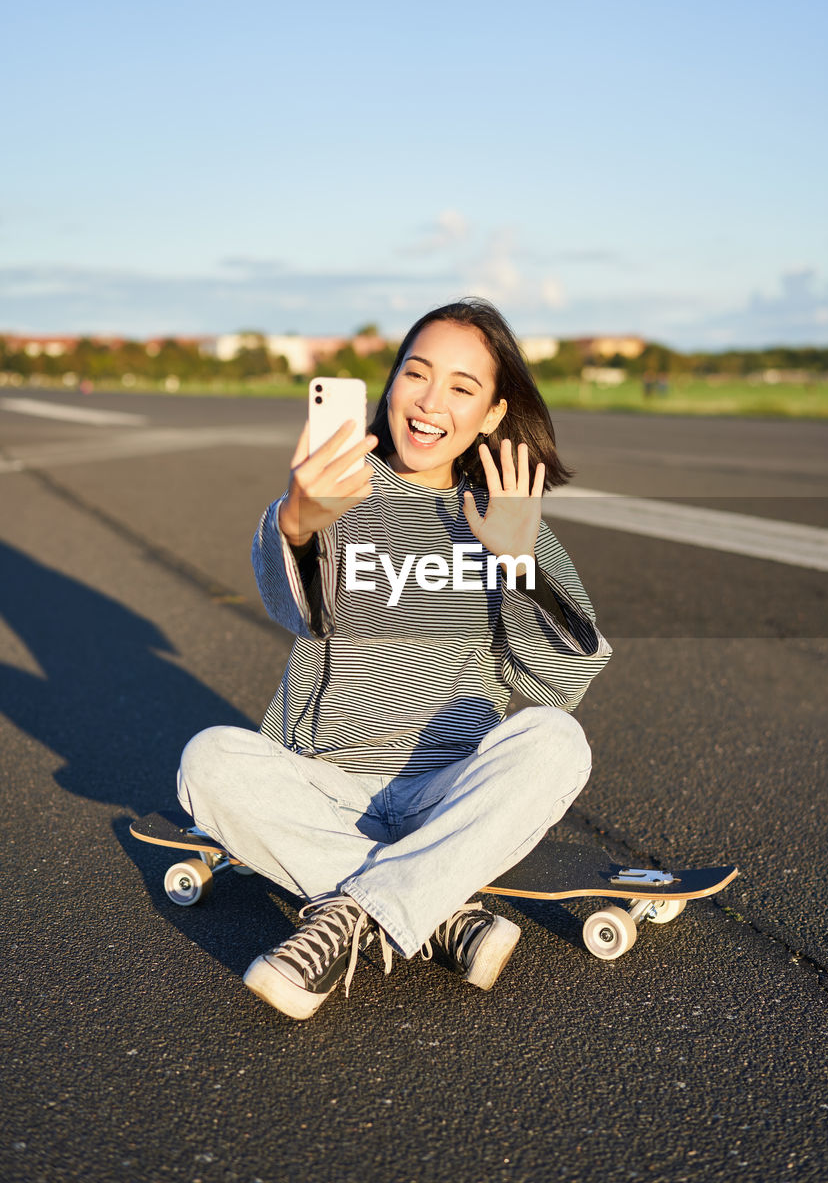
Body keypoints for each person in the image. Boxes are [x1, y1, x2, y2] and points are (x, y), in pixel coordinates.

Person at [178, 298, 612, 1020]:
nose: (430, 401)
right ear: (391, 382)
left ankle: (349, 911)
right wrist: (295, 519)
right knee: (208, 760)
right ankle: (434, 912)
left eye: (461, 387)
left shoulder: (503, 518)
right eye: (417, 373)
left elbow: (558, 684)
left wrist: (518, 562)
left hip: (448, 793)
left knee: (556, 744)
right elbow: (294, 607)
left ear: (495, 414)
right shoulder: (336, 490)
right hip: (327, 789)